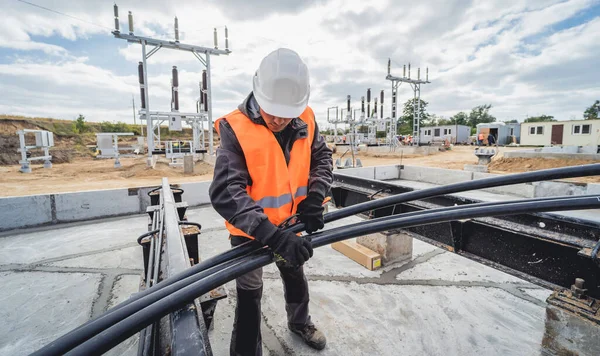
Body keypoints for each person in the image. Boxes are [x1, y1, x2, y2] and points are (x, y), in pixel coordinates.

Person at [209, 48, 333, 356]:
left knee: (295, 275)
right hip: (251, 231)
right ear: (257, 93)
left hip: (291, 224)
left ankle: (299, 323)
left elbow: (322, 158)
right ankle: (246, 350)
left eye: (285, 112)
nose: (278, 118)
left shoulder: (305, 116)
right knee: (250, 292)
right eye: (271, 110)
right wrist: (272, 236)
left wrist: (315, 197)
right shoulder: (234, 128)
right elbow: (227, 191)